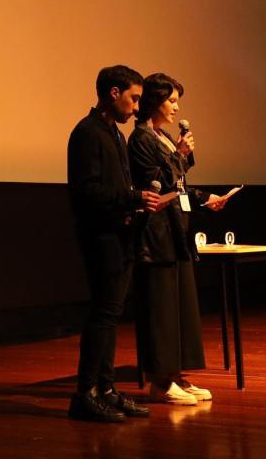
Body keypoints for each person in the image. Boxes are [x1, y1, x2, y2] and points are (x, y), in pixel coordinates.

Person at [67, 65, 162, 422]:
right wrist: (134, 197)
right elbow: (86, 191)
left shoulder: (115, 135)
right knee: (103, 314)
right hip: (101, 236)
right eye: (133, 99)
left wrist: (137, 201)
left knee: (111, 315)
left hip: (120, 235)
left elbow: (115, 189)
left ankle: (105, 389)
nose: (137, 108)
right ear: (113, 93)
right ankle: (85, 394)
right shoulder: (87, 133)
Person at [128, 72, 226, 405]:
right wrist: (180, 156)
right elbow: (155, 183)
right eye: (171, 101)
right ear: (155, 101)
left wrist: (206, 198)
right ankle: (160, 381)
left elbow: (179, 186)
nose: (176, 107)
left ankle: (177, 375)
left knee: (180, 308)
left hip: (177, 232)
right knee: (161, 308)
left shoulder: (165, 136)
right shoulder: (140, 139)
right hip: (155, 235)